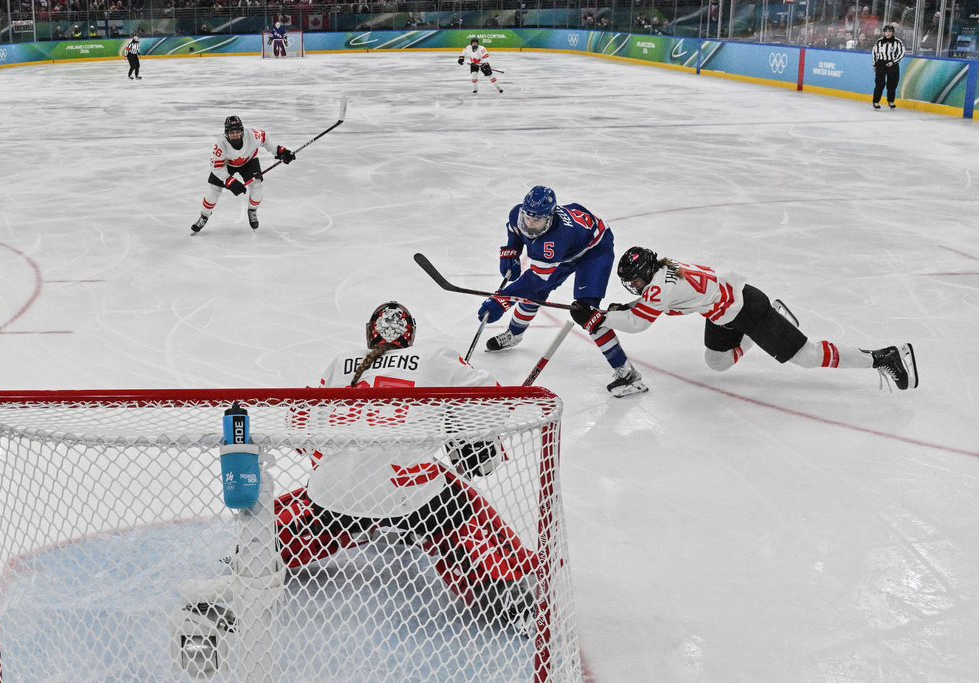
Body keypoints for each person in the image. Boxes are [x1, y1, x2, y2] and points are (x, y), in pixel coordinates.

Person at [273, 302, 538, 632]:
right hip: (406, 499)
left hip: (332, 497)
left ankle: (265, 545)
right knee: (462, 503)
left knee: (325, 488)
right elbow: (494, 405)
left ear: (370, 333)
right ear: (410, 335)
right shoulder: (435, 357)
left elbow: (301, 430)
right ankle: (500, 588)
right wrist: (458, 430)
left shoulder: (339, 363)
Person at [569, 246, 919, 391]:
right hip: (724, 312)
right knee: (716, 362)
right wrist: (609, 313)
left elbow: (639, 324)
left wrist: (596, 319)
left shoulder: (660, 288)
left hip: (747, 310)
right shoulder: (665, 269)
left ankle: (883, 356)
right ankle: (769, 324)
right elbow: (646, 307)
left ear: (648, 271)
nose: (634, 287)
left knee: (807, 357)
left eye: (636, 280)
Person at [478, 186, 647, 397]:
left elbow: (535, 280)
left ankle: (628, 374)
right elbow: (515, 232)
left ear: (549, 218)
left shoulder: (555, 239)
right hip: (569, 248)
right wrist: (510, 253)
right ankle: (514, 334)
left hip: (594, 249)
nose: (530, 224)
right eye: (528, 217)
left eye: (537, 220)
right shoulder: (517, 214)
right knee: (533, 297)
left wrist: (501, 300)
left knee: (588, 313)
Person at [191, 116, 296, 234]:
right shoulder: (221, 145)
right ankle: (204, 216)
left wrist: (279, 151)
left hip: (249, 161)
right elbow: (217, 167)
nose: (235, 135)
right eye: (232, 132)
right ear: (226, 133)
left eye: (237, 131)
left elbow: (265, 139)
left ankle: (252, 210)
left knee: (257, 188)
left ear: (242, 130)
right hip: (227, 165)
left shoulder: (251, 135)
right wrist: (229, 181)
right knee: (213, 191)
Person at [872, 24, 905, 109]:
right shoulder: (879, 42)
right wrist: (874, 64)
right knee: (880, 83)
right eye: (886, 31)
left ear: (893, 32)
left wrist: (894, 62)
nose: (888, 33)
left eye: (890, 31)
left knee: (892, 83)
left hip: (892, 64)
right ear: (883, 32)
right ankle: (876, 101)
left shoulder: (897, 42)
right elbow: (874, 53)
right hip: (881, 63)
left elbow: (902, 53)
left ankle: (891, 101)